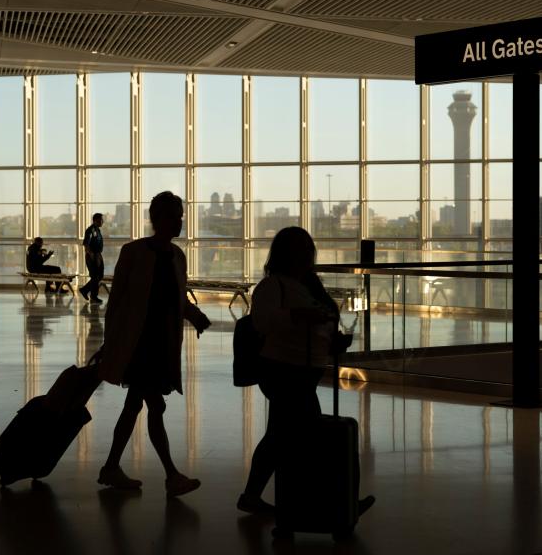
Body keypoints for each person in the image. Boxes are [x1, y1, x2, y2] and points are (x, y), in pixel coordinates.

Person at [98, 191, 211, 497]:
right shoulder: (134, 252)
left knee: (134, 404)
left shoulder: (177, 256)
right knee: (155, 405)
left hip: (160, 342)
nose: (180, 221)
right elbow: (118, 301)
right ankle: (171, 475)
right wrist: (112, 343)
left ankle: (111, 467)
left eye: (181, 215)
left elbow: (176, 297)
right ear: (158, 218)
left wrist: (195, 316)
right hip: (139, 344)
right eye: (175, 215)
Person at [236, 226, 344, 515]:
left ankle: (258, 496)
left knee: (279, 435)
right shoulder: (274, 287)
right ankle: (328, 503)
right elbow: (263, 322)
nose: (308, 255)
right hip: (285, 371)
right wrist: (301, 316)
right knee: (304, 436)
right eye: (303, 250)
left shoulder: (304, 286)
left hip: (299, 370)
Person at [79, 213, 105, 303]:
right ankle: (93, 296)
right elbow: (86, 245)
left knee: (99, 276)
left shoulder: (97, 230)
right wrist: (91, 255)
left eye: (102, 220)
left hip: (98, 255)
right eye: (101, 220)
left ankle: (85, 290)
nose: (102, 222)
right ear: (95, 220)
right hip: (92, 256)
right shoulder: (90, 230)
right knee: (95, 276)